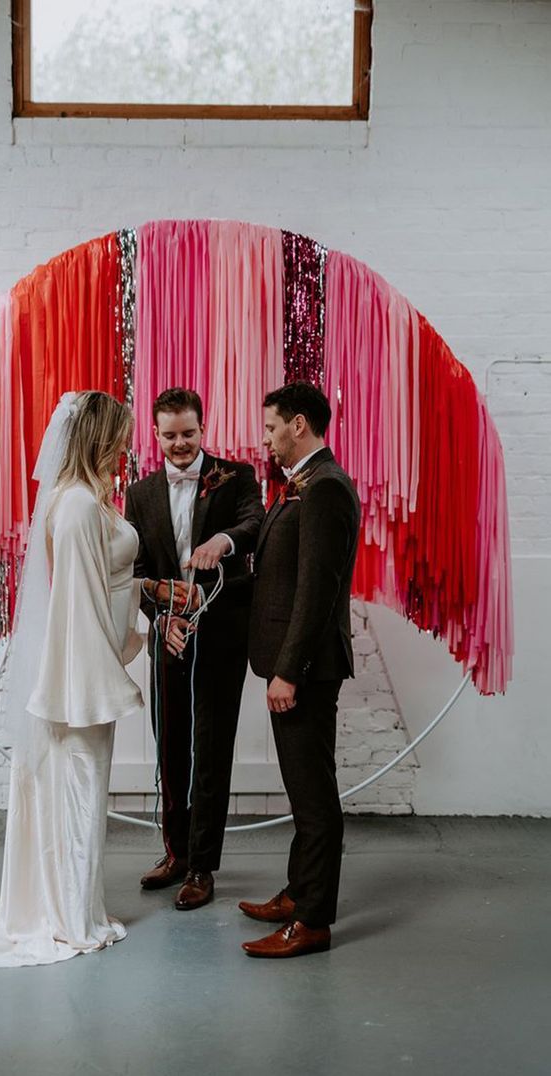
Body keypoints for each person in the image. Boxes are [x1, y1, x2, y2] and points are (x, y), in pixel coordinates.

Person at [0, 391, 145, 969]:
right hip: (78, 684)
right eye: (120, 434)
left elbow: (104, 589)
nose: (126, 446)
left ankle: (76, 907)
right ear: (99, 437)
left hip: (88, 673)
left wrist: (146, 597)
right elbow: (78, 607)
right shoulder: (76, 508)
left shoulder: (88, 501)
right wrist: (104, 681)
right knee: (76, 796)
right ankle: (69, 918)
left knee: (83, 798)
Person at [125, 388, 264, 910]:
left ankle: (203, 867)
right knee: (171, 748)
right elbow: (135, 574)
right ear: (155, 435)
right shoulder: (139, 494)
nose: (180, 444)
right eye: (170, 435)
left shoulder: (236, 477)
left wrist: (223, 541)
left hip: (222, 636)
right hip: (168, 637)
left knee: (210, 750)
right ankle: (176, 853)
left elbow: (253, 524)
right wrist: (162, 620)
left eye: (188, 433)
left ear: (202, 429)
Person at [240, 381, 361, 958]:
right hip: (293, 665)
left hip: (306, 670)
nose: (266, 438)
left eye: (271, 427)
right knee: (303, 787)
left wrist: (287, 670)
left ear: (299, 425)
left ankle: (311, 922)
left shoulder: (325, 489)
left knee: (314, 798)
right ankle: (297, 892)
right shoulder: (304, 484)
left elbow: (317, 591)